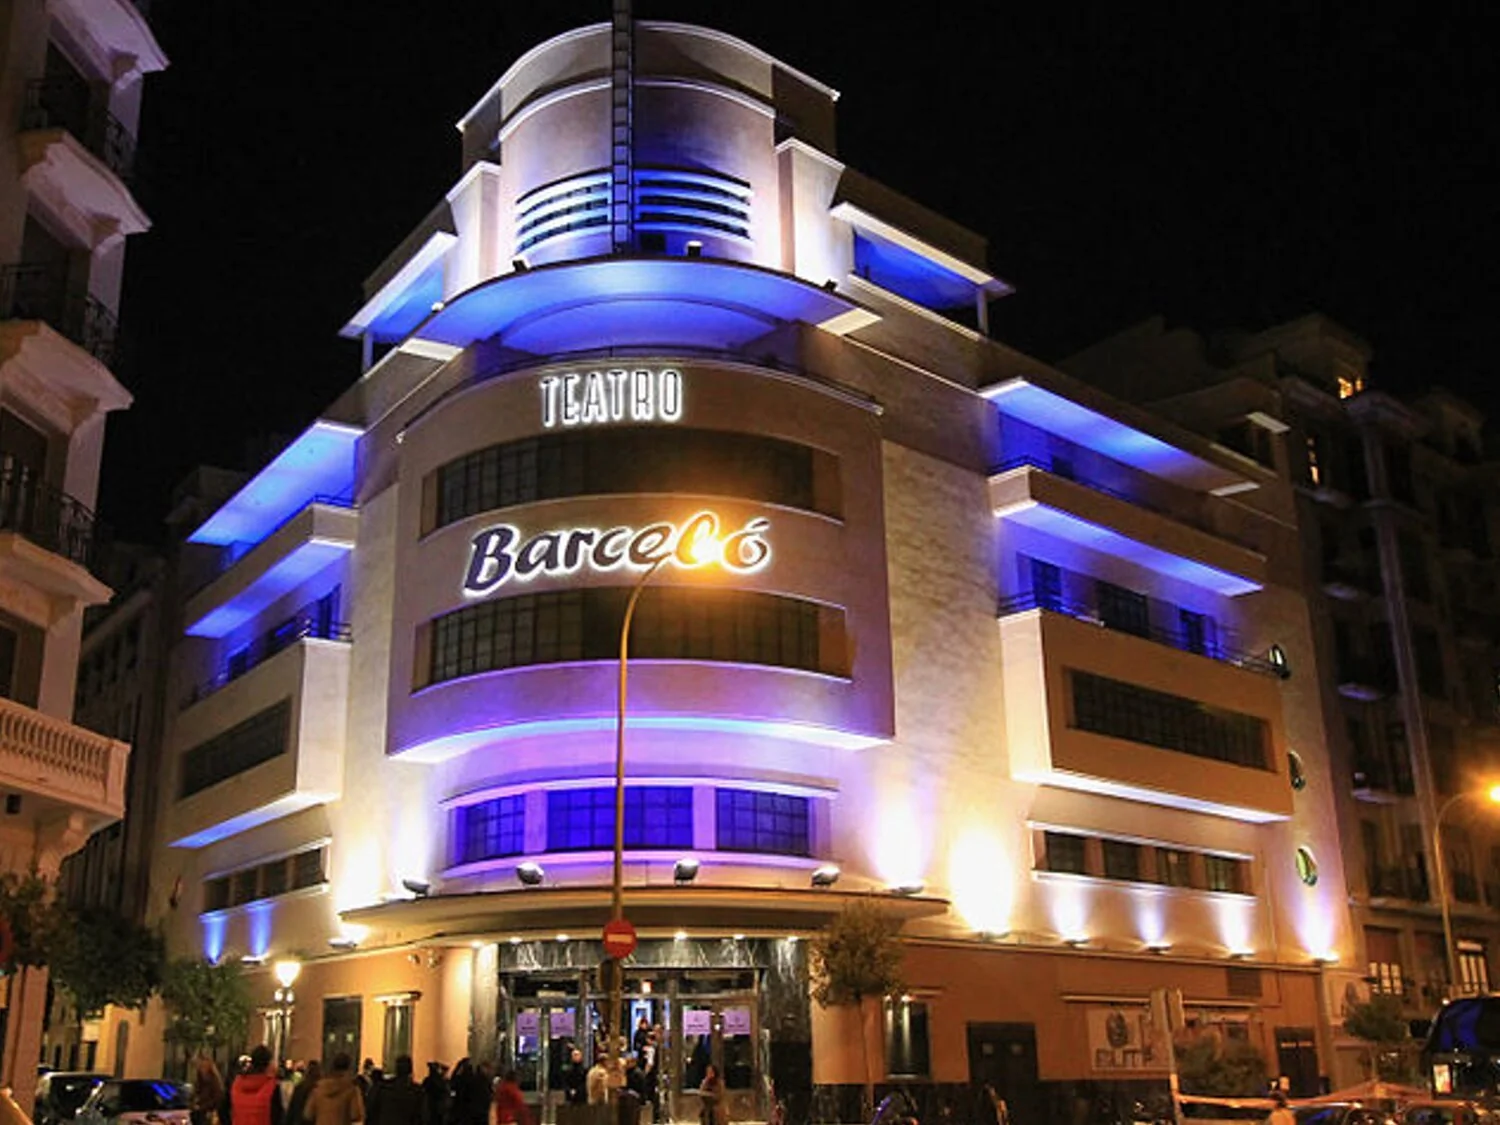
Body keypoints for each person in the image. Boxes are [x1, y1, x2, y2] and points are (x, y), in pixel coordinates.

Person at [230, 1046, 286, 1125]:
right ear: (269, 1064)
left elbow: (225, 1108)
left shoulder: (237, 1084)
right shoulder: (272, 1088)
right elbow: (278, 1117)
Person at [305, 1053, 366, 1125]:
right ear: (349, 1068)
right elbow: (356, 1115)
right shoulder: (351, 1089)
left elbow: (308, 1114)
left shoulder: (319, 1088)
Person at [369, 1056, 423, 1125]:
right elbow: (421, 1117)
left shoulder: (384, 1089)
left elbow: (372, 1111)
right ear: (410, 1070)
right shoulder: (416, 1092)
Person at [193, 1057, 226, 1125]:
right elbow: (196, 1094)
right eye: (201, 1067)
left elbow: (217, 1099)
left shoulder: (214, 1082)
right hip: (199, 1113)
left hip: (209, 1112)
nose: (203, 1070)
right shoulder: (199, 1081)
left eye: (204, 1067)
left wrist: (203, 1107)